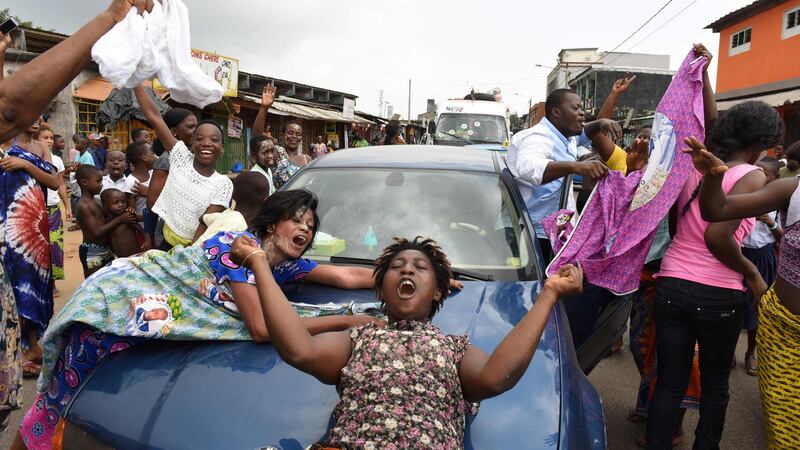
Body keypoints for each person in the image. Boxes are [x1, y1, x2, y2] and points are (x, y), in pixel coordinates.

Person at [15, 189, 382, 450]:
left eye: (310, 226)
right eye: (296, 220)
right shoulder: (238, 247)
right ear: (272, 224)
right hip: (118, 300)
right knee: (55, 402)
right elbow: (260, 328)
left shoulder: (284, 265)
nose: (305, 230)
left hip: (148, 322)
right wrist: (344, 323)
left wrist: (400, 269)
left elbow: (347, 277)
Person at [229, 234, 582, 448]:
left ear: (440, 289)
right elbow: (298, 349)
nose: (408, 269)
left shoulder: (453, 348)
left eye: (420, 267)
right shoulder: (359, 339)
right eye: (397, 266)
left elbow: (495, 376)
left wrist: (548, 295)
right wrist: (259, 262)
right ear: (381, 288)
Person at [646, 100, 784, 450]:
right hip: (718, 293)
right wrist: (752, 272)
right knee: (716, 383)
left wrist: (704, 75)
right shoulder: (750, 175)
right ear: (761, 142)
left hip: (672, 283)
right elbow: (718, 237)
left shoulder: (697, 165)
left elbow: (680, 225)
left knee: (669, 383)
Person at [683, 132, 800, 450]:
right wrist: (712, 176)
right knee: (786, 435)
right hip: (784, 336)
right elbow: (716, 211)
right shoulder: (793, 188)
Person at [505, 88, 621, 261]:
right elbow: (529, 167)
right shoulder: (538, 137)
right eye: (575, 108)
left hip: (555, 231)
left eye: (582, 108)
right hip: (531, 233)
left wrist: (599, 123)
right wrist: (575, 166)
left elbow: (584, 134)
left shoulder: (566, 136)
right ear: (557, 112)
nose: (582, 113)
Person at [0, 116, 62, 378]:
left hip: (37, 221)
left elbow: (54, 181)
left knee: (38, 279)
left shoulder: (41, 147)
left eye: (41, 117)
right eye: (32, 114)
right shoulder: (5, 141)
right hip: (11, 222)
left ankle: (33, 344)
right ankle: (22, 349)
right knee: (18, 281)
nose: (37, 120)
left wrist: (24, 164)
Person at [739, 157, 783, 377]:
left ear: (775, 178)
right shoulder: (744, 193)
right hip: (739, 255)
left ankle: (750, 353)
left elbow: (782, 236)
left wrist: (770, 222)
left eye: (765, 173)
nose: (760, 176)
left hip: (763, 257)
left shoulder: (779, 201)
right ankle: (728, 350)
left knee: (758, 308)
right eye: (757, 170)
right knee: (734, 304)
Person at [75, 165, 137, 278]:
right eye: (98, 181)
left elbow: (107, 220)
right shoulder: (84, 206)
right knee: (92, 284)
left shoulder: (96, 201)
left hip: (106, 249)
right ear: (84, 182)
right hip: (92, 251)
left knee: (107, 282)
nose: (101, 184)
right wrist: (120, 219)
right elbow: (96, 232)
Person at [36, 125, 73, 298]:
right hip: (36, 209)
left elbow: (60, 185)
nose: (50, 141)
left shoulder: (57, 161)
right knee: (37, 247)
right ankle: (39, 283)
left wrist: (67, 207)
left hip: (53, 209)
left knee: (55, 246)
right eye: (46, 138)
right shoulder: (31, 158)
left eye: (51, 138)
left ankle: (52, 283)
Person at [193, 171, 270, 245]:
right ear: (265, 200)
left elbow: (202, 218)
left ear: (233, 195)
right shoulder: (239, 227)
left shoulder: (226, 214)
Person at [100, 188, 150, 257]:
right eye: (116, 202)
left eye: (123, 202)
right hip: (120, 258)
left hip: (135, 255)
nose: (121, 205)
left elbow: (142, 230)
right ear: (105, 205)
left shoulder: (127, 217)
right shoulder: (106, 220)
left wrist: (147, 240)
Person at [125, 141, 155, 229]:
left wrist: (148, 192)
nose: (155, 155)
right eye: (152, 153)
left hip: (156, 225)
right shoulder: (131, 182)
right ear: (144, 157)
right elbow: (132, 215)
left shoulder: (154, 173)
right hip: (143, 228)